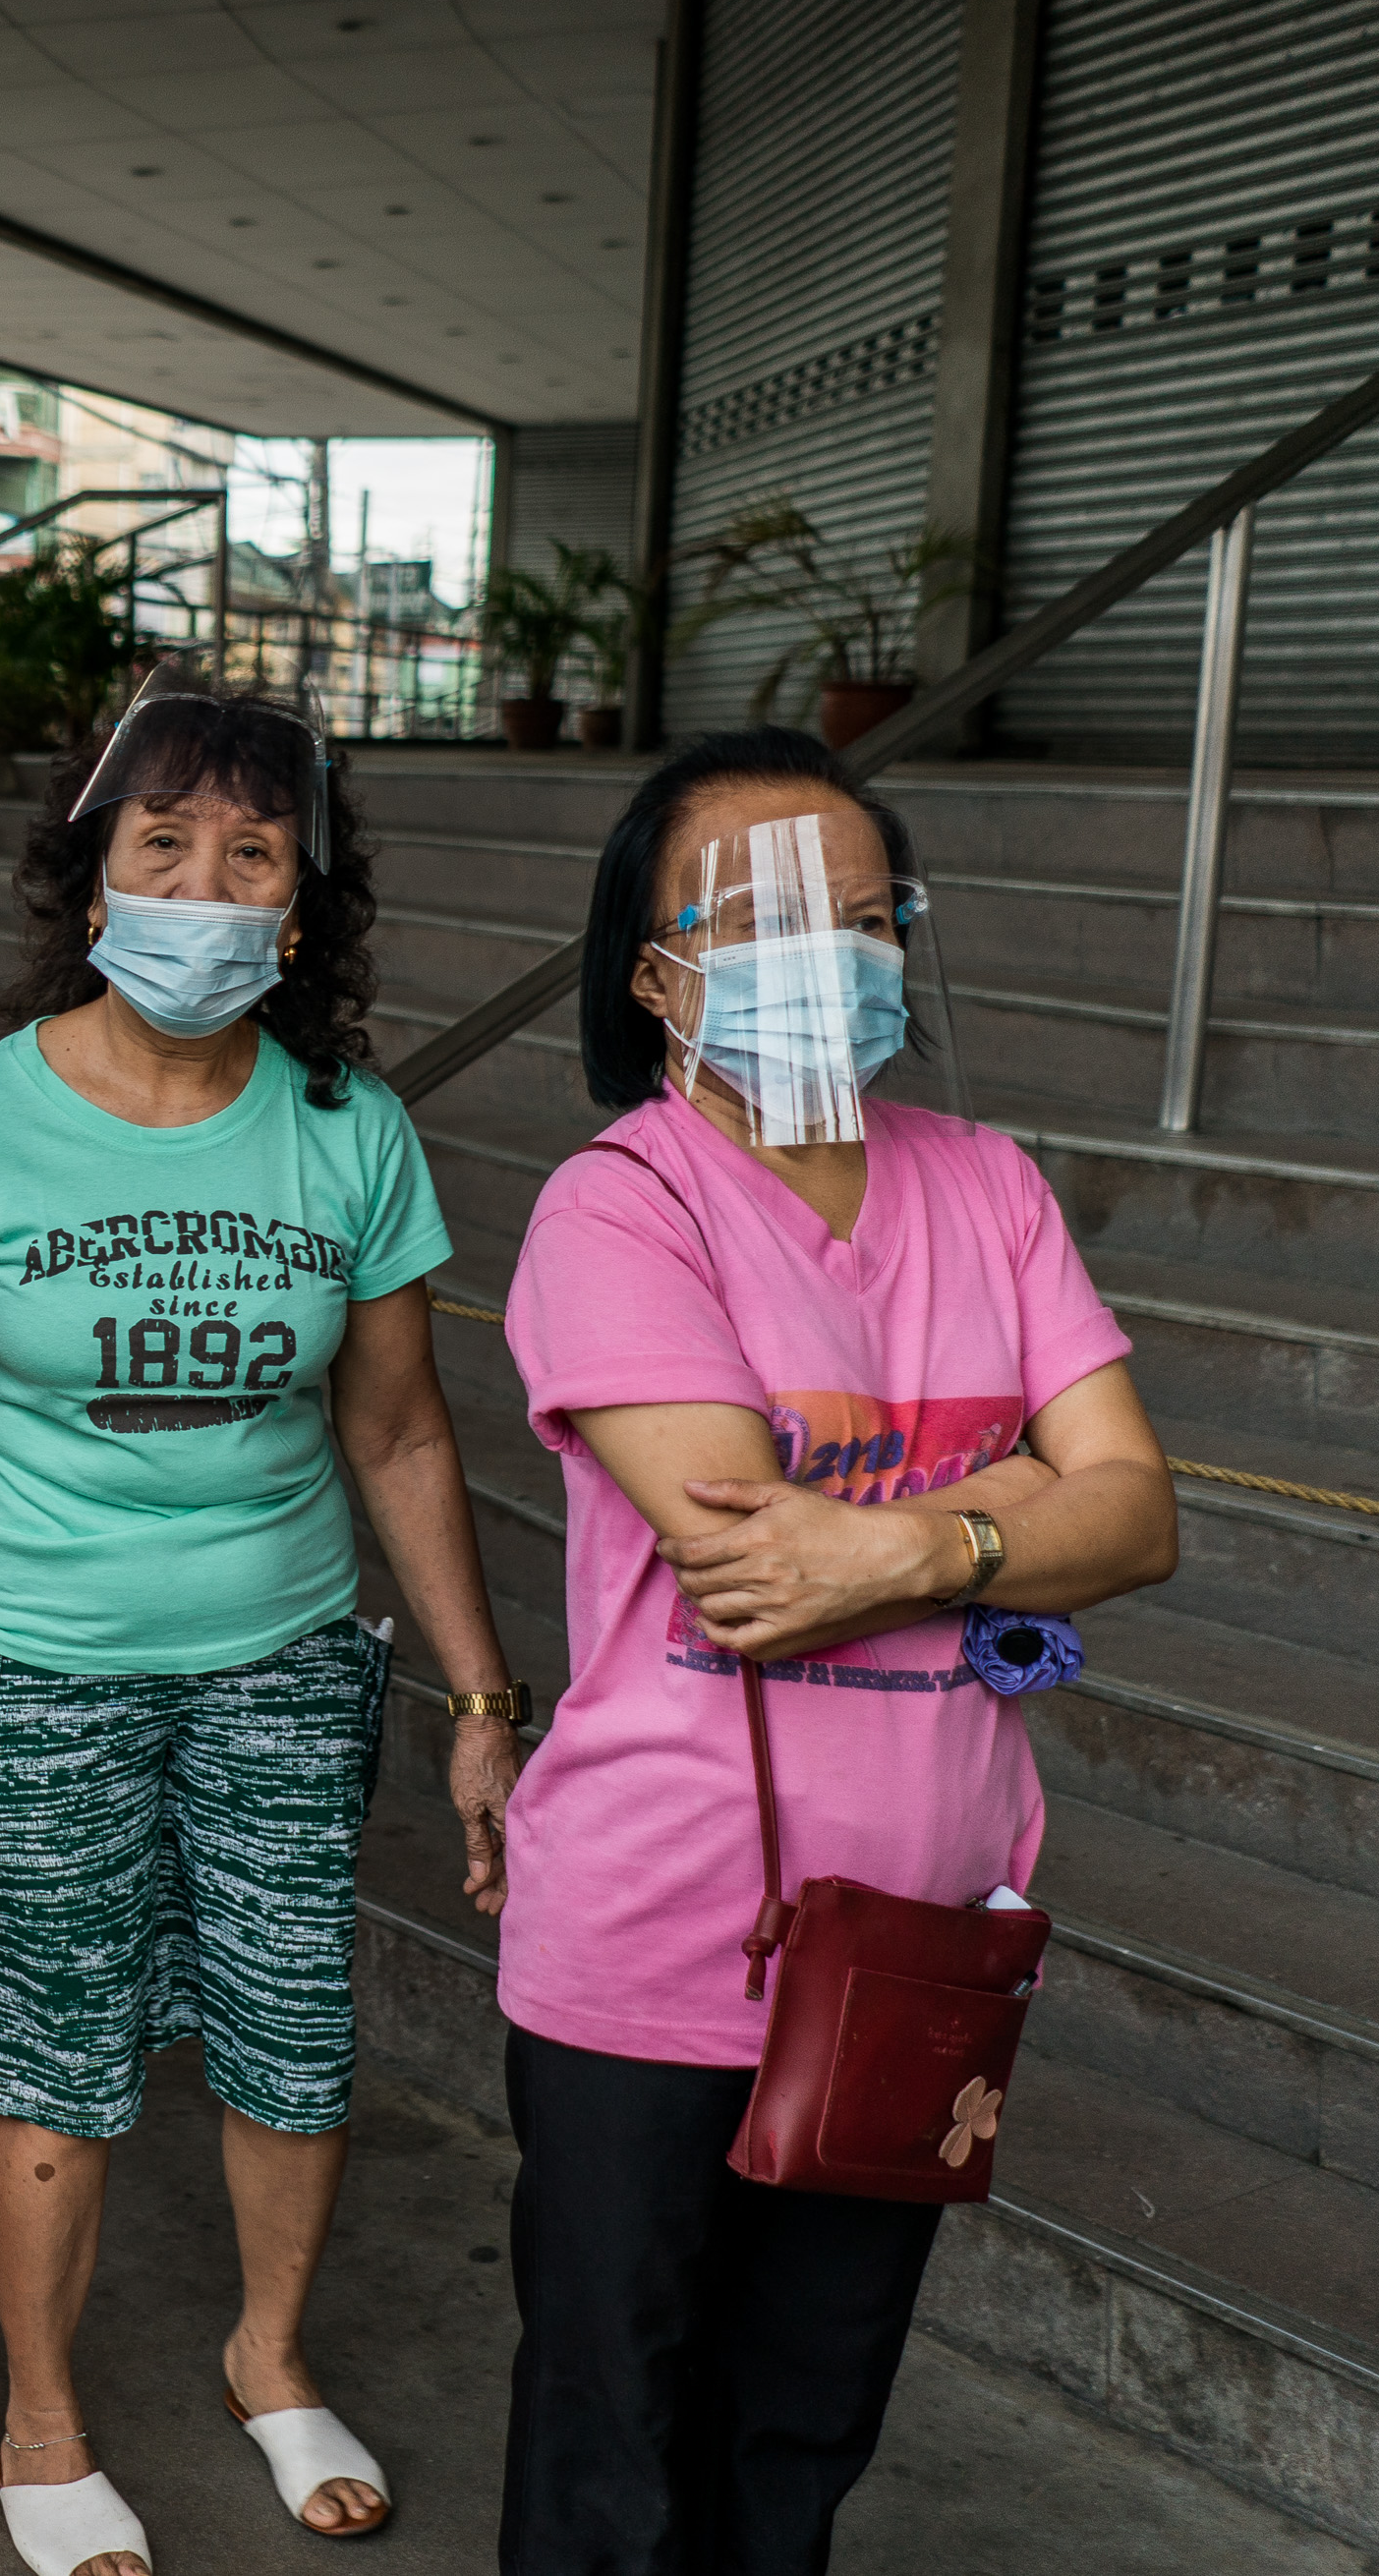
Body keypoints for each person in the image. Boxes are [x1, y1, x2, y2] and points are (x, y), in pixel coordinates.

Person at [0, 674, 526, 2573]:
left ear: (302, 902)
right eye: (165, 841)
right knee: (54, 2056)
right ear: (91, 881)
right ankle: (46, 2420)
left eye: (253, 849)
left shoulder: (349, 1127)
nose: (207, 882)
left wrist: (483, 1691)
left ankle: (268, 2350)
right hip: (39, 1662)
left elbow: (396, 1423)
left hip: (288, 1663)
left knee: (285, 2034)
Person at [493, 731, 1177, 2575]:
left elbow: (1141, 1514)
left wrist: (903, 1535)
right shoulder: (620, 1202)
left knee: (806, 2420)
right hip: (657, 1924)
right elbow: (742, 1554)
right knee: (614, 2439)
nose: (831, 950)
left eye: (864, 916)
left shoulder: (988, 1179)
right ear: (655, 973)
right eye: (770, 916)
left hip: (925, 1935)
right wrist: (1016, 1497)